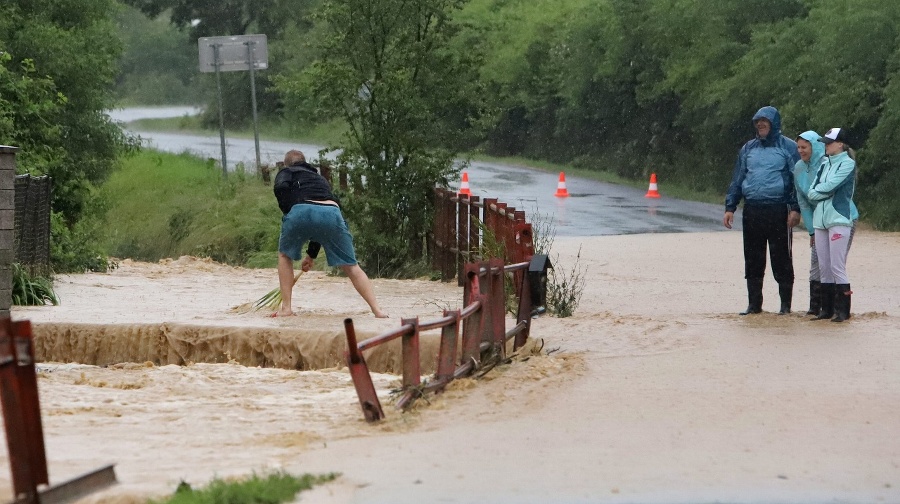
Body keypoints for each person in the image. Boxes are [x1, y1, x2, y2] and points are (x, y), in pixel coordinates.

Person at [273, 150, 387, 318]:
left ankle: (287, 308)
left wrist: (289, 210)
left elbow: (280, 187)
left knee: (285, 256)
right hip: (332, 212)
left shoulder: (287, 171)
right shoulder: (320, 179)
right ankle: (378, 311)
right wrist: (311, 256)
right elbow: (321, 221)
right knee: (352, 266)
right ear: (305, 163)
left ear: (286, 164)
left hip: (300, 210)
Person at [724, 106, 801, 315]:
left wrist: (795, 208)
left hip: (779, 210)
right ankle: (754, 305)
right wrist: (730, 206)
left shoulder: (789, 147)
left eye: (764, 121)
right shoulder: (748, 148)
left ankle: (785, 306)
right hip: (752, 210)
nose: (760, 125)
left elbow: (798, 179)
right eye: (757, 122)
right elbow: (738, 178)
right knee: (753, 258)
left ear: (774, 123)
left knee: (781, 258)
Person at [808, 128, 857, 322]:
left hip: (839, 219)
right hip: (820, 220)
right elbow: (812, 191)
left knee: (837, 266)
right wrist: (823, 192)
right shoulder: (824, 163)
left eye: (829, 142)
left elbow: (831, 186)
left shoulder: (848, 164)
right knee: (824, 266)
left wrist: (822, 192)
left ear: (840, 144)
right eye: (825, 142)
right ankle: (826, 310)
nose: (826, 145)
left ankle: (843, 311)